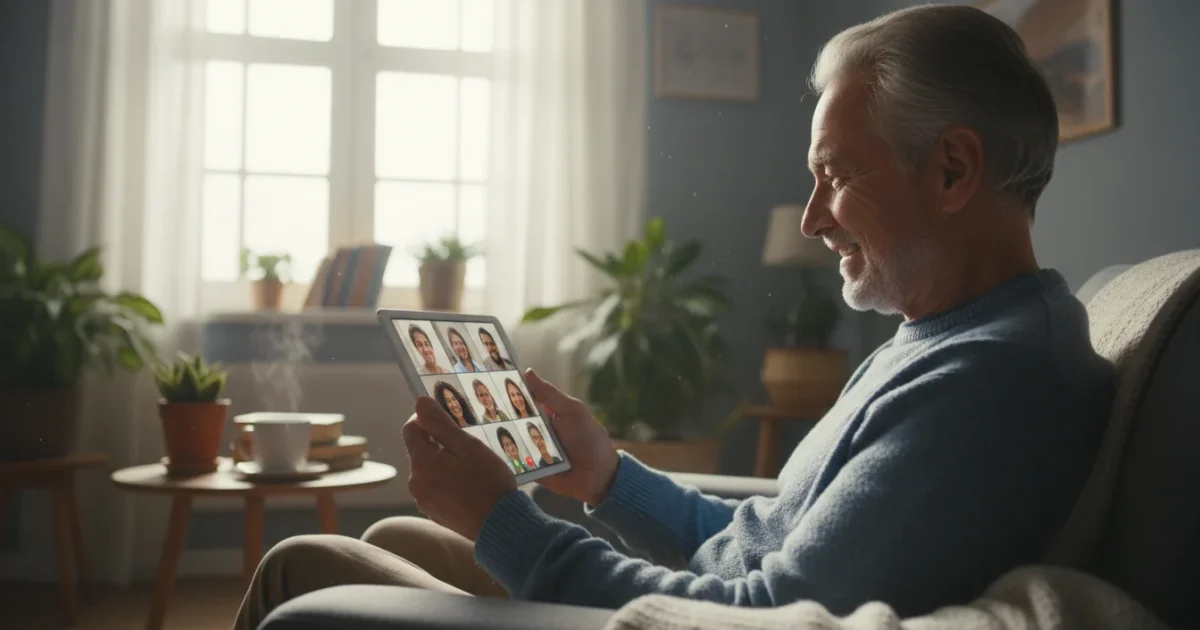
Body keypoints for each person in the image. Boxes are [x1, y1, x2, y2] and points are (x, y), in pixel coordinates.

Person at [233, 6, 1117, 628]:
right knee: (394, 534)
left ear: (954, 171)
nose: (812, 218)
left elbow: (766, 617)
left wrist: (508, 521)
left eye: (836, 176)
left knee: (299, 571)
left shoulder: (993, 382)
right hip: (703, 602)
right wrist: (608, 474)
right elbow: (757, 551)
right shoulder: (945, 340)